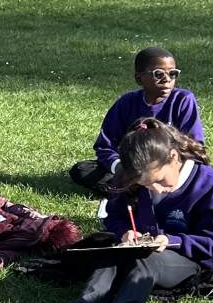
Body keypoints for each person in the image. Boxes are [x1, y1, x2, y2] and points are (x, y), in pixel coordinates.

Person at [50, 119, 213, 303]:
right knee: (112, 254)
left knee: (147, 260)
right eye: (145, 184)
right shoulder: (135, 179)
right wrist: (124, 232)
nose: (155, 189)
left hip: (187, 257)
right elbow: (114, 216)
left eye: (159, 180)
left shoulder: (209, 184)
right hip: (138, 249)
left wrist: (172, 241)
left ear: (174, 157)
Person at [70, 46, 203, 195]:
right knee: (82, 169)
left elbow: (194, 145)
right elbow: (105, 146)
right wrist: (120, 168)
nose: (167, 79)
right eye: (158, 74)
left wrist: (164, 169)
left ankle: (138, 190)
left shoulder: (183, 100)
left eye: (173, 73)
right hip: (133, 167)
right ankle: (139, 189)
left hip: (168, 167)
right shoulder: (126, 102)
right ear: (139, 78)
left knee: (203, 176)